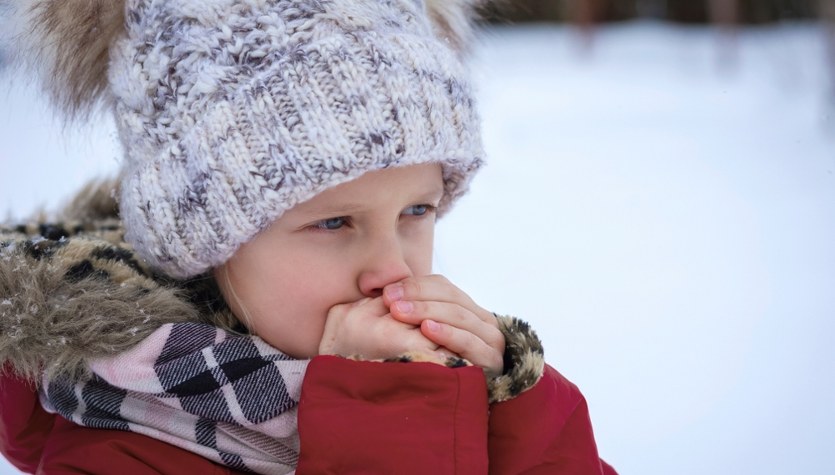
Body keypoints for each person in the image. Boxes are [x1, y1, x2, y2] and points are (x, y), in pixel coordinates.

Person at [0, 0, 617, 473]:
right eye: (332, 222)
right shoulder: (122, 446)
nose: (391, 269)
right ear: (206, 244)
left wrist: (515, 413)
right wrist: (382, 412)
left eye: (417, 211)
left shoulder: (459, 376)